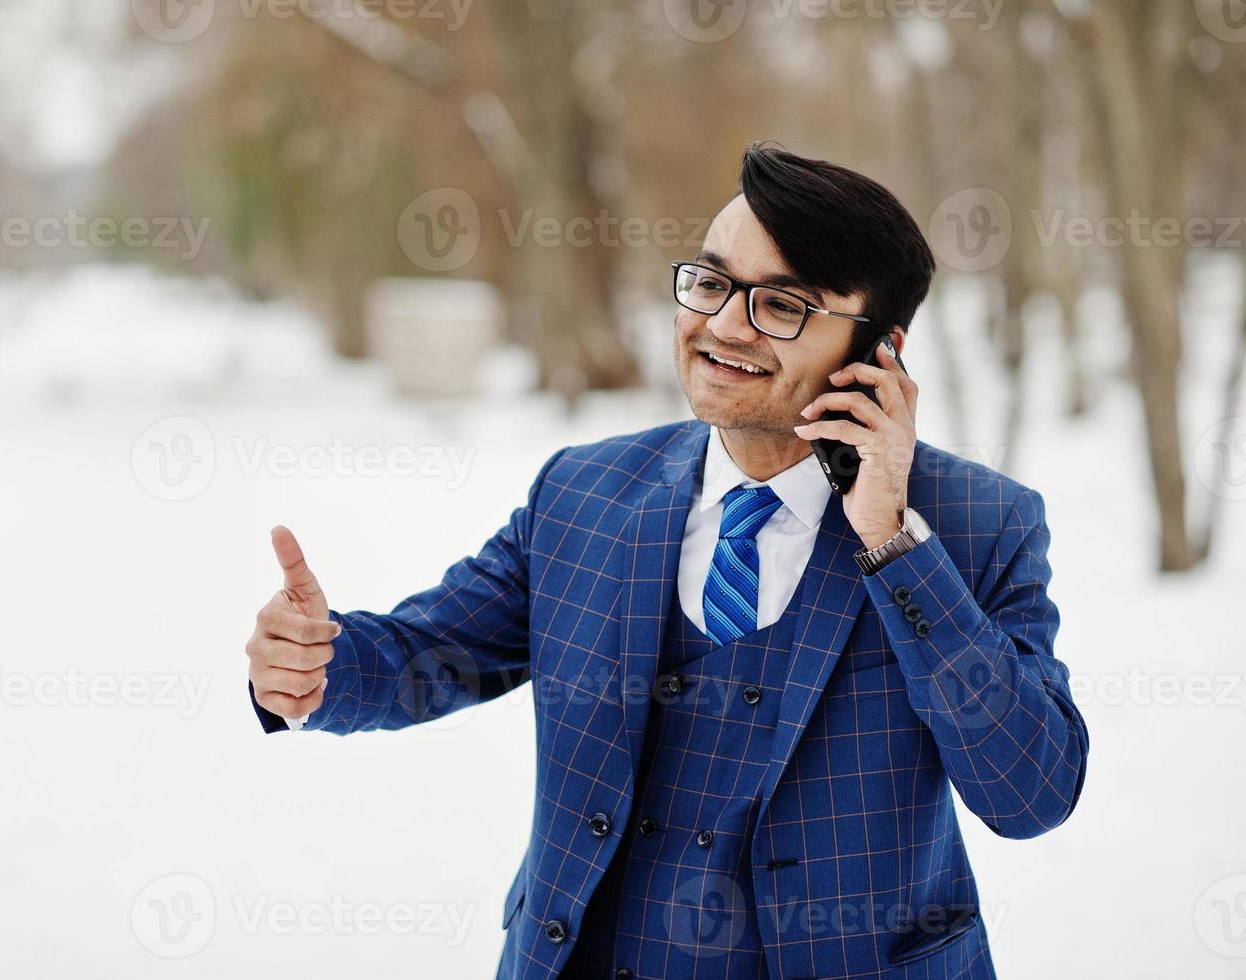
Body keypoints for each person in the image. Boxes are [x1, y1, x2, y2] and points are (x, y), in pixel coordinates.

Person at [244, 141, 1089, 980]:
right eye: (712, 283)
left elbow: (1029, 792)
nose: (722, 326)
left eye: (783, 306)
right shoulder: (583, 494)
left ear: (879, 352)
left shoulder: (978, 525)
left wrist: (892, 541)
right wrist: (320, 666)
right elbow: (425, 653)